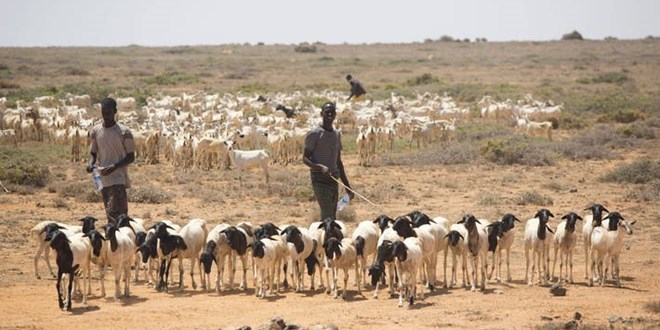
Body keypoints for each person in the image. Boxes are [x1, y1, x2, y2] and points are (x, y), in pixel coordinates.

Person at [86, 97, 135, 224]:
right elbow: (93, 153)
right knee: (112, 215)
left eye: (108, 112)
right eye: (104, 112)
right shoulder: (96, 131)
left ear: (115, 112)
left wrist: (114, 167)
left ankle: (121, 241)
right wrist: (90, 164)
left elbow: (131, 157)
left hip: (118, 179)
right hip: (103, 181)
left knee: (116, 216)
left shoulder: (124, 132)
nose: (106, 115)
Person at [303, 101, 354, 221]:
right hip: (319, 179)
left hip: (334, 179)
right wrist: (320, 167)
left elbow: (338, 162)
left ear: (336, 115)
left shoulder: (336, 135)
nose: (329, 115)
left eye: (332, 112)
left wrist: (347, 187)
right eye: (327, 112)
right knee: (328, 216)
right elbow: (305, 158)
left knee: (332, 214)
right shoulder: (314, 134)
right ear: (321, 114)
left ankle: (323, 237)